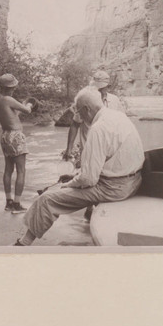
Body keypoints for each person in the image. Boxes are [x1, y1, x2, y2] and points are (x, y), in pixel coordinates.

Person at [14, 87, 144, 246]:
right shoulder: (119, 116)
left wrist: (68, 184)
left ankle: (23, 244)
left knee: (47, 199)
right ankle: (88, 216)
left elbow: (89, 179)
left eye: (79, 112)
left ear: (87, 109)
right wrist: (77, 176)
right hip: (135, 181)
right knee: (74, 179)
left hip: (114, 189)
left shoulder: (97, 129)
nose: (79, 117)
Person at [63, 70, 125, 221]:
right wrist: (69, 149)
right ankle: (90, 210)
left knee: (105, 178)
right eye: (95, 86)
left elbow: (122, 122)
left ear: (107, 87)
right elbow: (75, 125)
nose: (97, 90)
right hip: (89, 146)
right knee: (90, 177)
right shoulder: (85, 100)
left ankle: (98, 212)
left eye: (100, 87)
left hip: (109, 149)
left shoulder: (115, 101)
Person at [0, 73, 34, 214]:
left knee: (8, 170)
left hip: (5, 136)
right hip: (16, 136)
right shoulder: (8, 99)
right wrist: (29, 103)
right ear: (11, 87)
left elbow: (12, 117)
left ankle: (8, 202)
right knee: (21, 171)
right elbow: (27, 110)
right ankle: (17, 204)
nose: (14, 89)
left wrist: (20, 106)